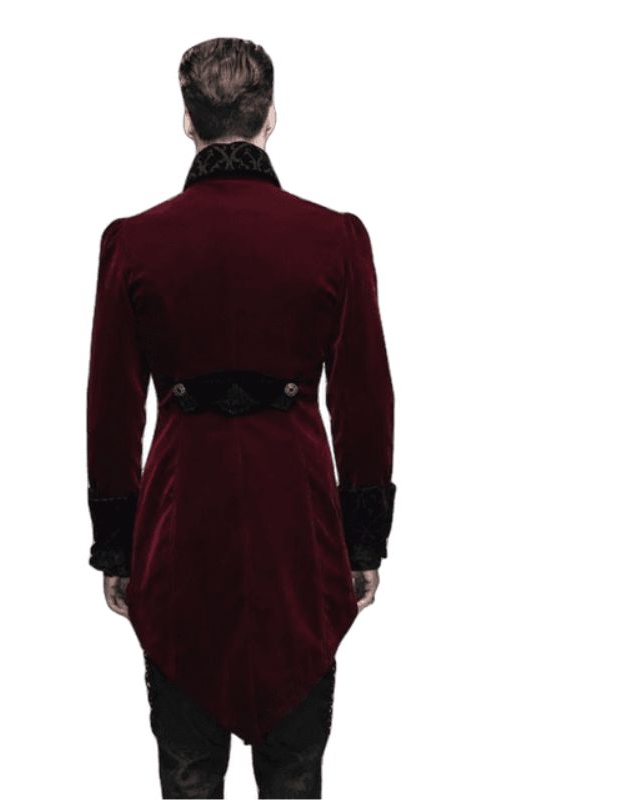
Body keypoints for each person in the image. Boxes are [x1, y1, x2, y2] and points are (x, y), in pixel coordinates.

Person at [86, 37, 397, 799]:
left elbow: (111, 408)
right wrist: (363, 539)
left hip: (179, 517)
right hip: (297, 519)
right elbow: (365, 399)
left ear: (187, 120)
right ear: (271, 116)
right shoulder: (334, 237)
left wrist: (117, 545)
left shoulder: (134, 241)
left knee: (189, 769)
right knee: (293, 770)